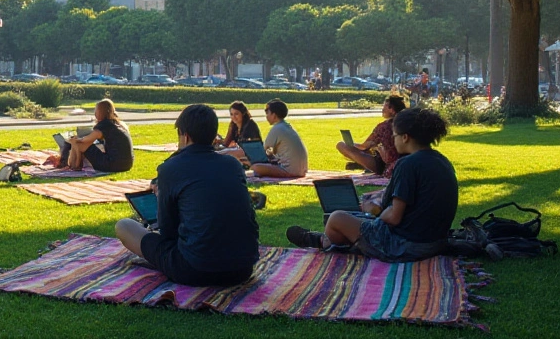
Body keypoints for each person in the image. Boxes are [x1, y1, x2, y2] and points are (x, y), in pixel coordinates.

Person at [287, 107, 458, 262]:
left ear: (405, 137)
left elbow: (393, 217)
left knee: (336, 218)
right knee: (356, 220)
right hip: (434, 241)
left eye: (395, 135)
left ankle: (324, 242)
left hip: (405, 245)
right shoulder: (442, 161)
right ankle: (329, 241)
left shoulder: (407, 165)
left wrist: (375, 211)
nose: (393, 139)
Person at [115, 103, 259, 287]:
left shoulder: (171, 168)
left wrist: (162, 199)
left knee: (124, 226)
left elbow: (167, 231)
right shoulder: (232, 164)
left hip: (195, 270)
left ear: (185, 136)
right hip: (243, 268)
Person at [337, 95, 405, 176]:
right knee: (372, 149)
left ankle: (363, 165)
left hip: (385, 165)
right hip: (404, 162)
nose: (382, 110)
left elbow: (363, 146)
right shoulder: (408, 124)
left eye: (384, 107)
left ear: (392, 110)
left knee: (341, 145)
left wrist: (351, 144)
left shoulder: (384, 127)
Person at [61, 98, 134, 172]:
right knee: (85, 145)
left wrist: (74, 140)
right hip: (127, 165)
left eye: (95, 110)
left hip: (113, 165)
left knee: (80, 145)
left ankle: (73, 166)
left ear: (99, 112)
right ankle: (74, 165)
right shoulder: (119, 124)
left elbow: (85, 140)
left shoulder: (103, 126)